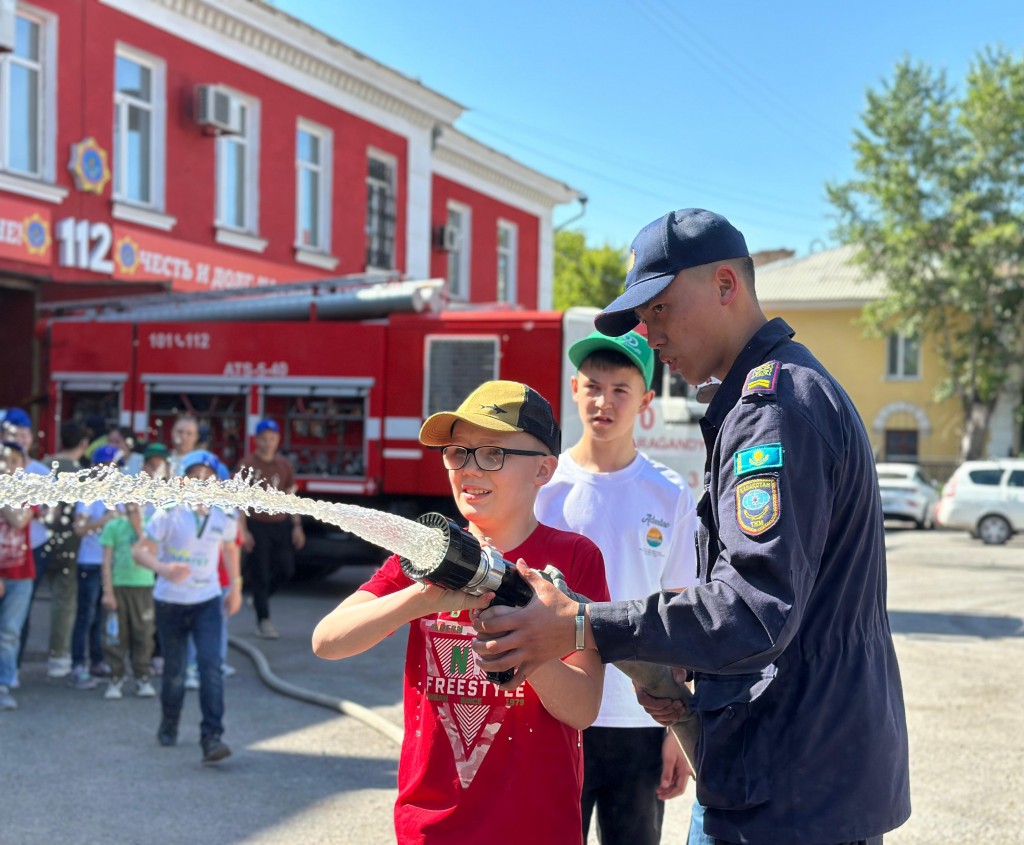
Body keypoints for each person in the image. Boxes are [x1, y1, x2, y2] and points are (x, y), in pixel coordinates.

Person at [472, 209, 912, 845]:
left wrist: (580, 624)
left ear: (725, 284)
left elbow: (754, 610)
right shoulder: (780, 393)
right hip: (795, 769)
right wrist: (685, 670)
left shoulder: (772, 409)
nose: (649, 335)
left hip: (791, 785)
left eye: (660, 309)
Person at [312, 380, 610, 845]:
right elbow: (327, 641)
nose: (469, 468)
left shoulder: (572, 559)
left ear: (543, 469)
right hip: (431, 828)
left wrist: (527, 644)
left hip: (537, 827)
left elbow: (583, 708)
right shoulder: (424, 556)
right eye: (457, 453)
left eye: (492, 453)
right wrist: (422, 599)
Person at [534, 330, 699, 845]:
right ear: (574, 389)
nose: (604, 402)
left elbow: (682, 613)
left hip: (639, 719)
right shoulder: (543, 487)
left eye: (620, 390)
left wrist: (677, 727)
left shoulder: (669, 493)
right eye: (593, 386)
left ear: (646, 401)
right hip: (556, 710)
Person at [132, 449, 242, 764]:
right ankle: (169, 723)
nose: (203, 483)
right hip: (171, 602)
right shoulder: (169, 512)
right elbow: (140, 551)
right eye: (196, 477)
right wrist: (164, 569)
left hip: (207, 600)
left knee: (211, 667)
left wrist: (235, 586)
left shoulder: (224, 514)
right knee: (175, 671)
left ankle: (212, 737)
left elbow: (230, 549)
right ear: (183, 481)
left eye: (209, 478)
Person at [237, 419, 304, 639]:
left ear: (278, 440)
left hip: (280, 523)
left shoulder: (284, 465)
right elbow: (239, 500)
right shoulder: (247, 465)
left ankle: (260, 598)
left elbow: (290, 496)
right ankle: (263, 620)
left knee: (286, 569)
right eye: (264, 438)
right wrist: (243, 529)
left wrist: (296, 526)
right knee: (260, 572)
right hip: (257, 524)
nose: (268, 443)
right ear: (257, 440)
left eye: (272, 438)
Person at [32, 421, 90, 679]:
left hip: (37, 540)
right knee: (64, 601)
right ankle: (58, 656)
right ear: (84, 444)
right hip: (70, 545)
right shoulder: (81, 474)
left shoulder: (43, 465)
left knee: (24, 598)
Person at [68, 444, 123, 689]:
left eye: (115, 467)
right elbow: (79, 529)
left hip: (113, 564)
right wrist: (104, 520)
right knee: (86, 615)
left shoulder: (121, 494)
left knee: (104, 615)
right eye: (106, 466)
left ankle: (98, 660)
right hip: (90, 562)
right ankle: (78, 664)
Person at [99, 500, 157, 700]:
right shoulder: (113, 526)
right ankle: (116, 676)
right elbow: (106, 561)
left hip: (144, 587)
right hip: (119, 586)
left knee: (144, 634)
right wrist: (108, 591)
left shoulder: (151, 525)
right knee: (115, 634)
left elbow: (152, 551)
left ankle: (143, 676)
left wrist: (137, 526)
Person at [0, 442, 35, 711]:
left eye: (14, 462)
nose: (8, 467)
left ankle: (3, 685)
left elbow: (19, 520)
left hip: (20, 574)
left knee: (10, 633)